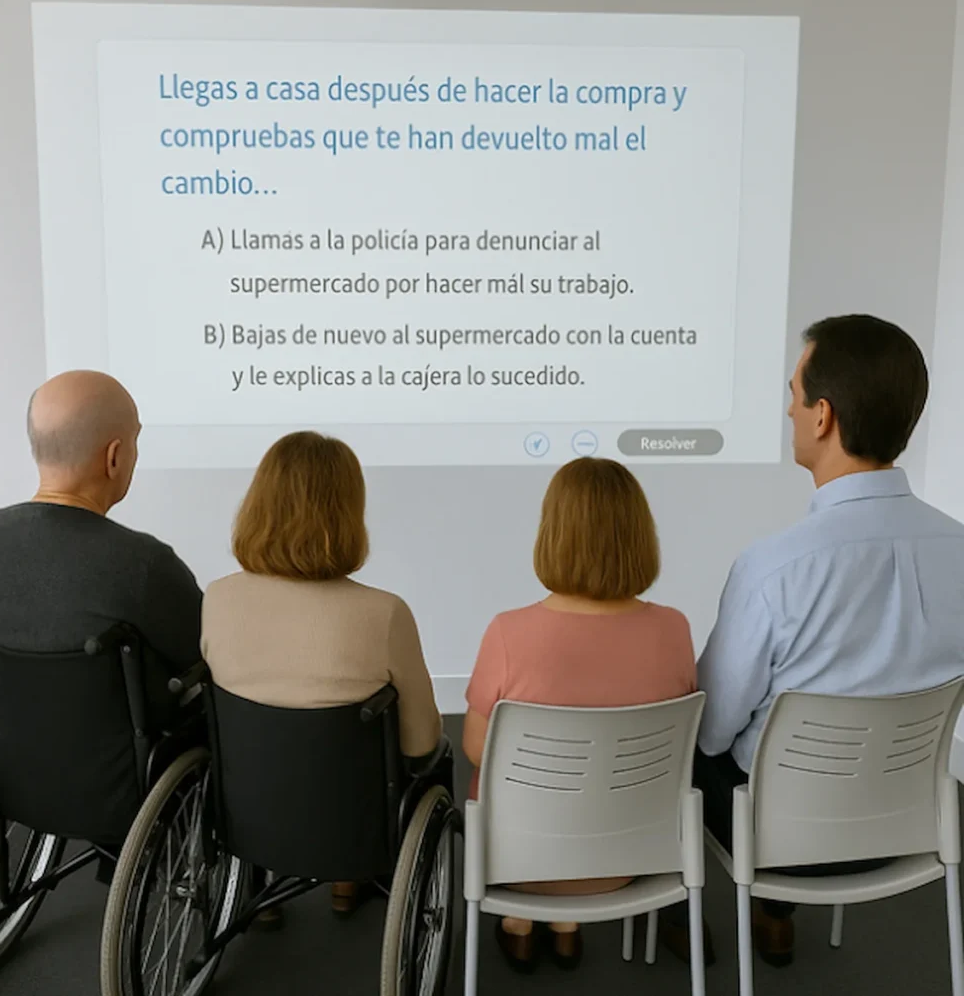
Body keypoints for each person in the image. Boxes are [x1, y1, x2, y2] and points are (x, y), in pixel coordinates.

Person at [675, 314, 964, 967]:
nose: (786, 407)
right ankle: (773, 922)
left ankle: (673, 918)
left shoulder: (773, 566)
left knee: (679, 742)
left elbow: (714, 730)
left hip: (782, 840)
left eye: (793, 393)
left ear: (822, 416)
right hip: (908, 824)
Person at [462, 457, 696, 973]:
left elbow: (478, 749)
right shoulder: (674, 630)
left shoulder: (508, 632)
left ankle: (520, 926)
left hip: (518, 862)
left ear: (552, 533)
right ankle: (569, 928)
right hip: (631, 862)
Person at [201, 431, 442, 917]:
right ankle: (348, 881)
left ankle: (260, 877)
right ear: (348, 513)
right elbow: (420, 745)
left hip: (248, 812)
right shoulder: (384, 613)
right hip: (350, 822)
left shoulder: (218, 597)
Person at [0, 370, 204, 726]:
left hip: (5, 766)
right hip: (131, 773)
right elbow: (208, 655)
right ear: (114, 457)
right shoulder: (142, 563)